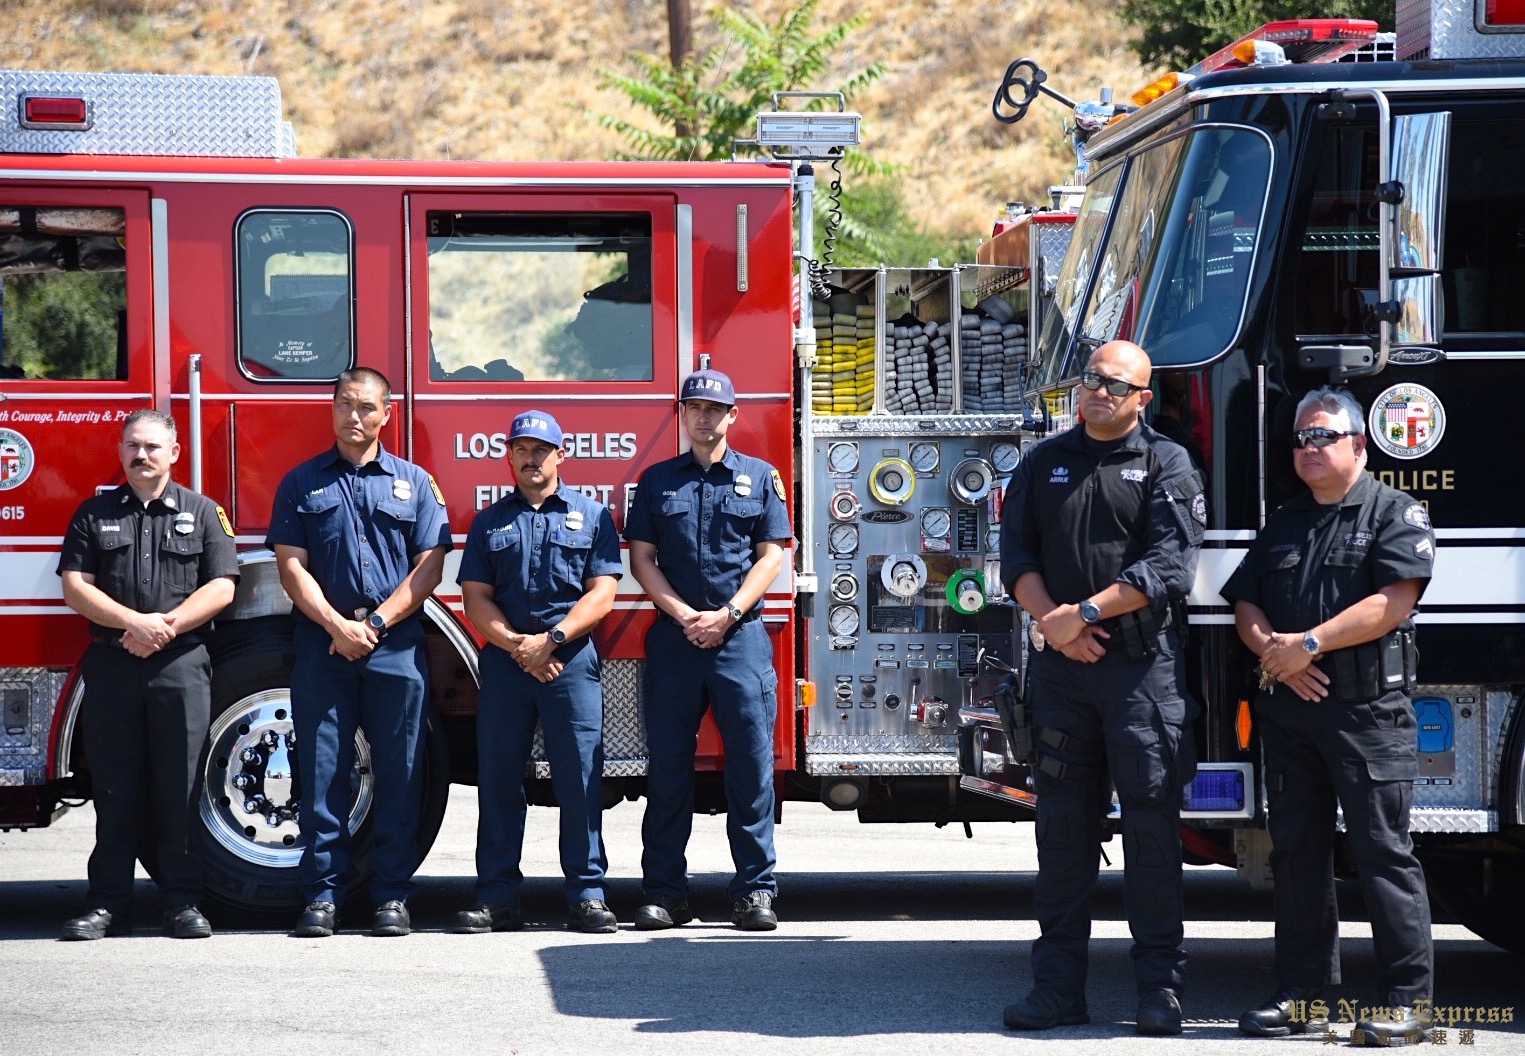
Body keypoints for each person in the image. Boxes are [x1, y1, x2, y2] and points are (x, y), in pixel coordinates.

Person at [999, 340, 1206, 1035]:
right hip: (1063, 673)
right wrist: (1052, 625)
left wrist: (1082, 615)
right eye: (1090, 378)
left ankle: (1160, 990)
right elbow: (1017, 558)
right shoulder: (1043, 462)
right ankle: (1057, 990)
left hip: (1140, 672)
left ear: (1141, 399)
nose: (1097, 391)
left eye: (1114, 385)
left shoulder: (1166, 463)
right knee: (1062, 833)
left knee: (1151, 833)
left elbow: (1169, 566)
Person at [1221, 387, 1435, 1046]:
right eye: (1300, 439)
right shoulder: (1285, 521)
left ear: (1358, 445)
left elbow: (1393, 602)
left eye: (1322, 436)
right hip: (1291, 712)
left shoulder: (1394, 513)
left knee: (1382, 855)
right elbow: (1245, 601)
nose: (1308, 448)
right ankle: (1303, 999)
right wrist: (1274, 653)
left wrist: (1307, 645)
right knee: (1296, 856)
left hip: (1366, 713)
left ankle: (1408, 1006)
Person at [266, 367, 452, 938]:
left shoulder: (416, 483)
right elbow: (291, 568)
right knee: (322, 772)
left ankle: (391, 895)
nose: (355, 416)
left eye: (367, 407)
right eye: (346, 404)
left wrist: (373, 623)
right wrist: (335, 625)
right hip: (323, 645)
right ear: (332, 409)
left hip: (394, 646)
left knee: (400, 773)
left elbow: (429, 568)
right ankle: (322, 897)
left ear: (387, 415)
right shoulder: (300, 483)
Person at [57, 410, 239, 940]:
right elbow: (75, 586)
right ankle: (107, 904)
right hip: (113, 663)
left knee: (180, 787)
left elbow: (223, 585)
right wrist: (133, 623)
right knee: (115, 788)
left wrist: (165, 627)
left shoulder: (204, 513)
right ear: (120, 451)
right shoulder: (93, 514)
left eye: (153, 446)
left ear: (174, 453)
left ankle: (182, 903)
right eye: (133, 446)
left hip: (179, 665)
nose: (142, 455)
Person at [625, 368, 792, 931]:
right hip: (675, 641)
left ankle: (755, 892)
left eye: (714, 409)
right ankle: (665, 894)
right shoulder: (656, 481)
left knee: (751, 770)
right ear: (681, 414)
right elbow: (642, 558)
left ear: (732, 416)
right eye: (694, 407)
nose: (703, 417)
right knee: (668, 771)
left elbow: (771, 556)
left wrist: (728, 615)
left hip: (740, 642)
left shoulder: (760, 477)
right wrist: (685, 615)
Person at [450, 410, 622, 935]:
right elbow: (475, 598)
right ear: (509, 456)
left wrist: (552, 642)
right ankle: (497, 897)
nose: (531, 459)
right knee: (499, 780)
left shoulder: (593, 515)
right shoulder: (488, 522)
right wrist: (519, 646)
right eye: (521, 449)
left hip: (570, 661)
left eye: (541, 450)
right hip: (507, 663)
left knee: (581, 779)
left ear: (560, 455)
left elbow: (603, 593)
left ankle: (587, 896)